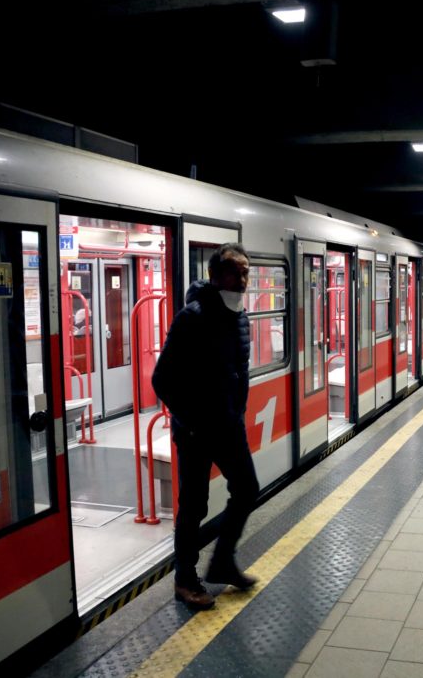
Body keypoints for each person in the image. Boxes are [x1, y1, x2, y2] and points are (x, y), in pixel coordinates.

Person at [152, 243, 259, 610]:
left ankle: (223, 562)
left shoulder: (240, 316)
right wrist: (193, 423)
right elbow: (161, 380)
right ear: (215, 276)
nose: (242, 279)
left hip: (229, 425)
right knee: (194, 506)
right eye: (234, 271)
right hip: (196, 431)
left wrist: (236, 411)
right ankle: (185, 579)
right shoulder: (192, 317)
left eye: (246, 272)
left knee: (247, 489)